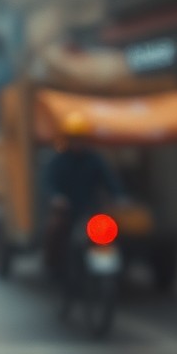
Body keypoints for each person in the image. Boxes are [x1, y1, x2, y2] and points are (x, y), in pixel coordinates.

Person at [43, 112, 126, 284]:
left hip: (91, 212)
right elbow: (49, 183)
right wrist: (56, 197)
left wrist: (119, 197)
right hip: (67, 212)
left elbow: (109, 180)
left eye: (80, 138)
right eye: (74, 138)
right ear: (68, 139)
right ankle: (54, 268)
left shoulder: (94, 159)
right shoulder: (59, 161)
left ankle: (110, 274)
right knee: (54, 231)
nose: (77, 143)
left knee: (113, 233)